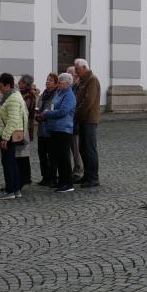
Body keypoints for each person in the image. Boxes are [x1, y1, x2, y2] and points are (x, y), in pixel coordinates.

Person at [43, 73, 77, 193]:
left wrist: (47, 114)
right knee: (58, 157)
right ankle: (62, 181)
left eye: (60, 82)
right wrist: (49, 112)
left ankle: (68, 183)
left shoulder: (69, 96)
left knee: (64, 157)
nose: (58, 84)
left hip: (63, 129)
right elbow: (54, 107)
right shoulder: (59, 93)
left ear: (67, 83)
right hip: (54, 129)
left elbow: (63, 111)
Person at [0, 73, 28, 199]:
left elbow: (12, 120)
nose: (0, 89)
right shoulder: (12, 96)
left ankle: (10, 190)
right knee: (12, 162)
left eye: (1, 86)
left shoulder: (13, 98)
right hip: (11, 134)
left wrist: (5, 138)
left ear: (8, 85)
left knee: (8, 163)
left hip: (9, 135)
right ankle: (16, 189)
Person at [74, 59, 101, 187]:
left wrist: (77, 112)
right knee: (82, 148)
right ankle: (87, 175)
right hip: (83, 119)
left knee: (90, 149)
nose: (76, 72)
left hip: (89, 119)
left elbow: (88, 101)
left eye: (77, 69)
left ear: (84, 68)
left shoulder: (92, 80)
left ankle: (93, 177)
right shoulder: (83, 81)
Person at [35, 73, 59, 186]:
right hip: (41, 129)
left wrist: (44, 115)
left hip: (50, 129)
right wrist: (37, 113)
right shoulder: (44, 94)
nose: (47, 81)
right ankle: (45, 177)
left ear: (56, 83)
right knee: (42, 154)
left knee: (52, 155)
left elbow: (53, 108)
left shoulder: (57, 94)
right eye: (47, 79)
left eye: (50, 80)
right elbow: (38, 106)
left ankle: (53, 177)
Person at [17, 75, 39, 186]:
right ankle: (25, 176)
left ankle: (25, 177)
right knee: (21, 153)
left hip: (24, 127)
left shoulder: (29, 96)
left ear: (26, 84)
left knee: (23, 154)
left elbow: (24, 110)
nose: (18, 84)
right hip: (21, 126)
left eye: (20, 82)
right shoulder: (21, 94)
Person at [66, 65, 84, 181]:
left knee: (76, 149)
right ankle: (74, 170)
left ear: (75, 76)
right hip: (69, 123)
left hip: (75, 123)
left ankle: (79, 171)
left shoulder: (78, 87)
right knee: (71, 148)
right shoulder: (72, 87)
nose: (67, 76)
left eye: (69, 74)